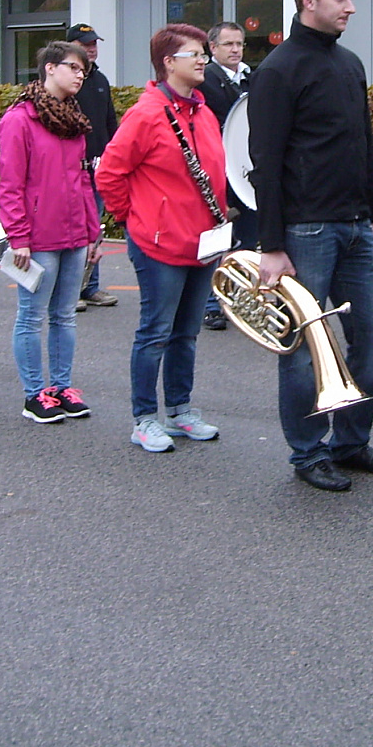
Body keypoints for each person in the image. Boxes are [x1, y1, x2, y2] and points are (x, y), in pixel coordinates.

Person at [248, 0, 373, 491]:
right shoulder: (278, 69)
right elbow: (265, 161)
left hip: (357, 227)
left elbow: (362, 145)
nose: (351, 8)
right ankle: (308, 452)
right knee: (301, 348)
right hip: (305, 230)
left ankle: (350, 442)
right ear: (308, 0)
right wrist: (271, 244)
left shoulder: (350, 64)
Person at [96, 24, 227, 452]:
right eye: (195, 54)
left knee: (186, 333)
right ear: (168, 63)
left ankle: (180, 410)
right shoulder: (146, 113)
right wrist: (134, 218)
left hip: (201, 242)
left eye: (204, 53)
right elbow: (109, 173)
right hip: (158, 244)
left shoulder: (204, 112)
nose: (203, 60)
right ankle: (144, 418)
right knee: (155, 332)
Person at [0, 40, 101, 424]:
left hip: (73, 233)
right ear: (50, 68)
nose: (80, 75)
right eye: (73, 67)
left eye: (83, 70)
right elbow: (9, 185)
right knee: (31, 317)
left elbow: (83, 180)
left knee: (65, 316)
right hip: (38, 237)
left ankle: (61, 388)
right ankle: (34, 394)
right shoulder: (19, 119)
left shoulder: (73, 119)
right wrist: (18, 237)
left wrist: (92, 232)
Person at [197, 19, 254, 331]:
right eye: (228, 44)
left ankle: (239, 301)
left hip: (247, 173)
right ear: (213, 47)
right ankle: (211, 305)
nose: (235, 49)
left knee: (247, 240)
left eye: (239, 44)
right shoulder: (204, 80)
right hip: (218, 172)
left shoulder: (250, 78)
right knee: (220, 240)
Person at [71, 22, 120, 309]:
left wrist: (114, 154)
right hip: (73, 169)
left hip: (98, 167)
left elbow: (109, 121)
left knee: (94, 228)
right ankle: (72, 289)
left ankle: (90, 286)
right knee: (75, 228)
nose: (91, 49)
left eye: (94, 44)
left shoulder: (100, 80)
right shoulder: (68, 81)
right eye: (85, 44)